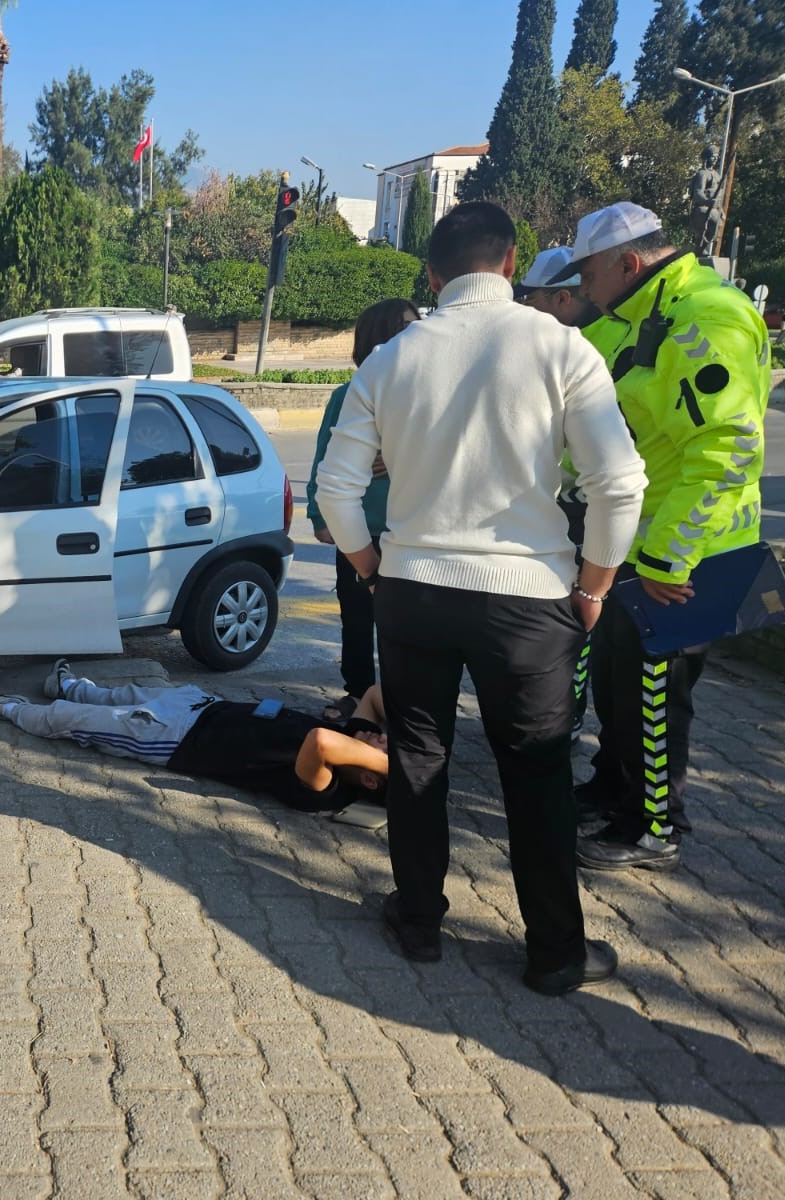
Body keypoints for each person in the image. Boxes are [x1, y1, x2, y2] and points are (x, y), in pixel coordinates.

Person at [315, 201, 647, 995]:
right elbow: (619, 483)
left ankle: (418, 920)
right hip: (528, 597)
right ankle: (554, 952)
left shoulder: (389, 360)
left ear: (432, 276)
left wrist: (372, 568)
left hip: (413, 590)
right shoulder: (561, 347)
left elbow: (334, 487)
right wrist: (595, 586)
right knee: (536, 772)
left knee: (418, 754)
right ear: (510, 263)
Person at [569, 202, 771, 872]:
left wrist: (667, 557)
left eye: (588, 274)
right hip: (638, 543)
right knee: (616, 687)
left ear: (628, 263)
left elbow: (728, 449)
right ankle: (613, 790)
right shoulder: (642, 316)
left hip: (682, 558)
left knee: (653, 700)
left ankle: (654, 827)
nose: (583, 289)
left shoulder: (706, 319)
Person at [0, 660, 389, 820]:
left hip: (174, 738)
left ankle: (6, 708)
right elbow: (375, 694)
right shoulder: (358, 738)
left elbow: (320, 741)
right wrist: (407, 743)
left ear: (371, 776)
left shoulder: (326, 789)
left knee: (71, 720)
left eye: (385, 749)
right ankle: (69, 685)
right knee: (118, 694)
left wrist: (398, 765)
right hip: (203, 705)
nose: (382, 738)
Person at [304, 297, 420, 721]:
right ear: (379, 337)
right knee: (357, 619)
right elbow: (324, 457)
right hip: (358, 530)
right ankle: (357, 694)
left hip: (412, 531)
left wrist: (398, 457)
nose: (415, 333)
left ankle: (400, 700)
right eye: (405, 326)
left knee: (405, 625)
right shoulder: (347, 395)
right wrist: (320, 516)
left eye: (417, 324)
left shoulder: (427, 394)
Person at [515, 246, 607, 741]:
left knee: (573, 623)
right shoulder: (560, 345)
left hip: (581, 510)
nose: (526, 307)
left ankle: (562, 720)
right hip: (557, 507)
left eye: (533, 298)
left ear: (562, 299)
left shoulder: (581, 352)